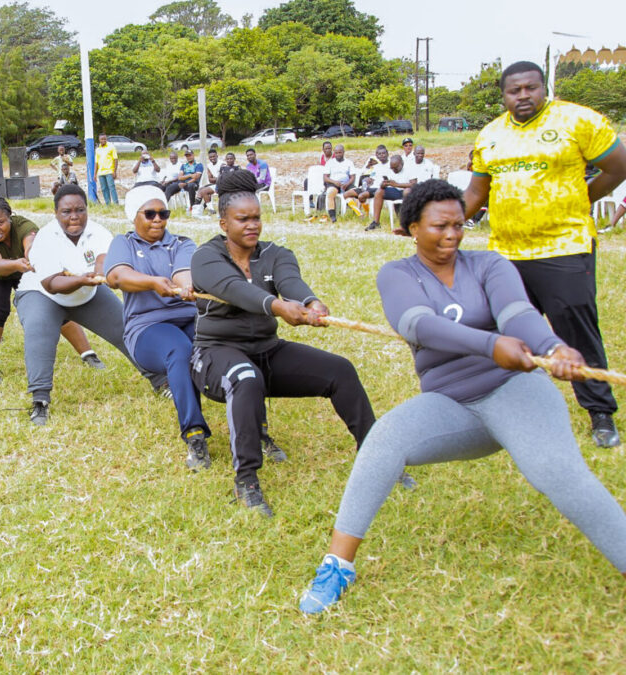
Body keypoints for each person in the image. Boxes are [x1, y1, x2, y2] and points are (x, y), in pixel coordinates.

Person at [298, 179, 626, 614]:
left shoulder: (490, 264)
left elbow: (517, 314)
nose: (452, 235)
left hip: (516, 390)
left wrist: (552, 348)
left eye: (459, 225)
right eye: (439, 226)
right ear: (412, 227)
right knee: (383, 441)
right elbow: (417, 324)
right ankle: (337, 565)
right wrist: (491, 345)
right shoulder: (397, 274)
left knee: (559, 474)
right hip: (451, 403)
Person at [190, 169, 380, 516]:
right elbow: (236, 290)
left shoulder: (276, 253)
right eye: (242, 219)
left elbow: (290, 281)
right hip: (215, 357)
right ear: (223, 224)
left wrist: (311, 303)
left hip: (266, 352)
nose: (252, 225)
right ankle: (246, 480)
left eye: (257, 218)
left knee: (340, 370)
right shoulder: (205, 258)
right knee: (244, 378)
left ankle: (378, 456)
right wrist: (277, 306)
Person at [463, 60, 626, 447]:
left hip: (564, 248)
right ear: (503, 95)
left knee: (576, 331)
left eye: (531, 88)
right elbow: (475, 194)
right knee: (508, 331)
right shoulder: (490, 135)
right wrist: (434, 222)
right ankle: (510, 407)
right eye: (514, 90)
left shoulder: (577, 121)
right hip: (506, 252)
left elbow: (618, 167)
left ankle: (600, 412)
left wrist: (582, 198)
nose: (523, 96)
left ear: (543, 88)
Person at [105, 185, 211, 468]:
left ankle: (254, 428)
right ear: (134, 216)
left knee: (221, 346)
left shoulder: (182, 243)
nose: (157, 220)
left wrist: (185, 286)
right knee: (179, 349)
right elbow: (117, 276)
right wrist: (152, 283)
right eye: (149, 214)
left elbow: (183, 273)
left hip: (188, 317)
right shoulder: (123, 244)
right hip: (146, 326)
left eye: (163, 213)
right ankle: (195, 434)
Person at [15, 183, 137, 425]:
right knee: (39, 332)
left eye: (80, 210)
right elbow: (51, 284)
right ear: (56, 213)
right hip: (41, 294)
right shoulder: (45, 238)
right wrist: (84, 278)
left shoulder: (99, 232)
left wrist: (102, 273)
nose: (74, 217)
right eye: (66, 212)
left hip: (86, 294)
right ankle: (40, 400)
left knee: (128, 328)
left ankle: (159, 379)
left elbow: (103, 261)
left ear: (87, 210)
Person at [0, 196, 107, 382]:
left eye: (0, 223)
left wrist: (33, 257)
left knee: (50, 299)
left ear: (10, 217)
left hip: (24, 265)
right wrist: (16, 264)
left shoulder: (23, 225)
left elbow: (31, 244)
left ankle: (87, 353)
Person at [366, 155, 415, 233]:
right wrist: (383, 184)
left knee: (407, 191)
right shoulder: (390, 170)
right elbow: (386, 183)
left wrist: (397, 184)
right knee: (379, 192)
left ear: (402, 163)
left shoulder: (409, 169)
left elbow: (413, 184)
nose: (394, 170)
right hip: (395, 191)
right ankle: (376, 222)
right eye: (392, 168)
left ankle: (406, 223)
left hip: (405, 191)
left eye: (396, 168)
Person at [345, 145, 390, 215]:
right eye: (379, 154)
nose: (382, 155)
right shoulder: (375, 166)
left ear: (387, 153)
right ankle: (359, 214)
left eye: (383, 153)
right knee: (346, 194)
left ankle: (367, 213)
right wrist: (367, 180)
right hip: (370, 187)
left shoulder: (391, 164)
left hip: (380, 188)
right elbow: (371, 177)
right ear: (376, 155)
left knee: (361, 196)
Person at [321, 144, 355, 222]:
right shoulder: (330, 162)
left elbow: (352, 177)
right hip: (334, 183)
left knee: (355, 193)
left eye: (340, 152)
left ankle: (356, 213)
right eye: (336, 153)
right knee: (330, 193)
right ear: (334, 153)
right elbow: (325, 178)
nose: (338, 154)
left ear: (343, 152)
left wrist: (347, 184)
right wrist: (334, 182)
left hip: (346, 184)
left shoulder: (349, 162)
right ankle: (332, 216)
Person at [193, 148, 223, 214]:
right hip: (214, 184)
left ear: (217, 156)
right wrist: (216, 178)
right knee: (200, 190)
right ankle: (197, 208)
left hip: (222, 185)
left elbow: (222, 178)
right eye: (210, 157)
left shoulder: (222, 164)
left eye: (214, 156)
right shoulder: (209, 166)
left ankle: (208, 209)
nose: (212, 158)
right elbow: (210, 179)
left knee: (204, 191)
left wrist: (215, 178)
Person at [95, 134, 120, 205]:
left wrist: (114, 171)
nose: (103, 140)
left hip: (109, 171)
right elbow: (96, 162)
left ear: (106, 139)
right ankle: (108, 204)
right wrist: (95, 174)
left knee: (111, 187)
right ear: (99, 140)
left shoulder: (111, 147)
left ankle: (116, 203)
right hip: (101, 172)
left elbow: (115, 159)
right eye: (101, 139)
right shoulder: (97, 149)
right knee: (104, 189)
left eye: (104, 139)